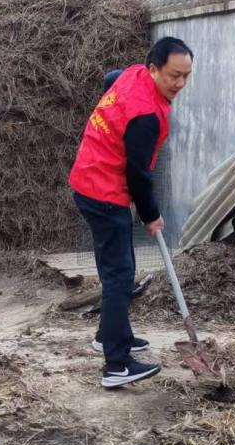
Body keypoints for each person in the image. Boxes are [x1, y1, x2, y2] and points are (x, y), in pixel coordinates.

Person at [69, 37, 194, 389]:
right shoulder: (144, 117)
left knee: (117, 270)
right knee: (120, 277)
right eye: (173, 76)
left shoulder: (132, 75)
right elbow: (138, 174)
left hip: (90, 177)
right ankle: (117, 365)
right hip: (102, 191)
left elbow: (112, 77)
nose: (180, 84)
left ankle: (108, 336)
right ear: (153, 69)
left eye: (186, 76)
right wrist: (151, 215)